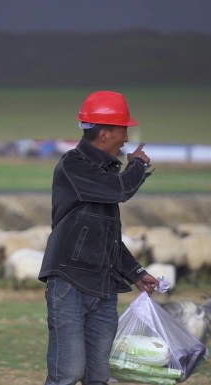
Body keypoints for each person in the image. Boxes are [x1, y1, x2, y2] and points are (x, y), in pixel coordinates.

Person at [38, 90, 159, 385]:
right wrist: (138, 165)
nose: (126, 139)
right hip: (70, 282)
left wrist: (136, 272)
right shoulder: (74, 165)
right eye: (123, 130)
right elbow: (120, 191)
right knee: (67, 374)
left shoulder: (105, 171)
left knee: (98, 377)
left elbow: (106, 238)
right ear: (104, 133)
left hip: (102, 288)